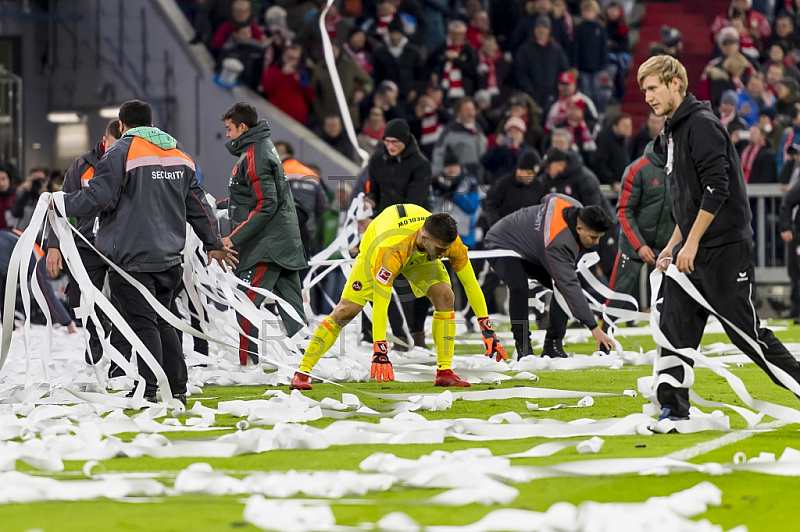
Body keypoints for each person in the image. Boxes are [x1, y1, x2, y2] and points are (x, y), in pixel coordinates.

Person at [638, 54, 800, 421]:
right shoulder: (673, 128)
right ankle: (673, 410)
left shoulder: (702, 124)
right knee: (673, 329)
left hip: (723, 249)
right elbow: (690, 199)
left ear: (675, 83)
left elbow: (716, 189)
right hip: (692, 250)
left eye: (653, 88)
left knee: (748, 337)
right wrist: (673, 243)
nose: (647, 96)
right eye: (643, 90)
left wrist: (691, 243)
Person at [56, 100, 233, 404]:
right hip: (169, 258)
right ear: (151, 125)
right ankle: (177, 386)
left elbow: (98, 196)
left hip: (130, 256)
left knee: (142, 323)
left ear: (122, 125)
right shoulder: (180, 156)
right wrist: (213, 243)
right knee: (163, 320)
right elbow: (199, 205)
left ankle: (151, 389)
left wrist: (61, 204)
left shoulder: (120, 153)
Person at [289, 207, 508, 390]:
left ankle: (444, 372)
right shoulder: (390, 250)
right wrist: (380, 349)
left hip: (419, 254)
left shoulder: (449, 244)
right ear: (425, 237)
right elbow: (381, 300)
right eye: (441, 250)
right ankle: (303, 372)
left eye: (446, 249)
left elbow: (470, 284)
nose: (444, 254)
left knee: (445, 295)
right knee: (346, 311)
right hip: (378, 249)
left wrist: (486, 328)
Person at [220, 102, 308, 365]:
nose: (227, 135)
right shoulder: (260, 148)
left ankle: (248, 365)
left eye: (229, 129)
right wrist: (219, 206)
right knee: (292, 309)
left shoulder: (255, 154)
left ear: (242, 127)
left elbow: (266, 205)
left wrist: (233, 238)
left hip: (266, 247)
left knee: (245, 305)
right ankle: (308, 362)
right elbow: (257, 198)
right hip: (282, 242)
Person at [45, 120, 132, 370]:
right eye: (116, 146)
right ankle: (96, 330)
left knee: (125, 300)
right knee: (78, 299)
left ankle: (119, 360)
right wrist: (54, 246)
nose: (119, 151)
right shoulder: (82, 165)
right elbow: (59, 207)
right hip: (86, 243)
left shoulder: (132, 163)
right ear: (105, 142)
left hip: (120, 244)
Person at [485, 195, 616, 360]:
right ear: (579, 228)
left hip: (532, 245)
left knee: (562, 289)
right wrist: (594, 329)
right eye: (593, 237)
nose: (596, 242)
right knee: (519, 288)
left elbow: (549, 197)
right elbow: (569, 286)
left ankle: (552, 345)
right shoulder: (560, 242)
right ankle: (523, 347)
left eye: (599, 237)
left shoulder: (574, 206)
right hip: (501, 242)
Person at [606, 139, 673, 322]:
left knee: (677, 300)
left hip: (668, 245)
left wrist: (674, 245)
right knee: (616, 297)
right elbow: (624, 210)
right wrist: (639, 245)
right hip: (633, 245)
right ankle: (603, 342)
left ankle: (675, 346)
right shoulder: (638, 168)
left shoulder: (682, 169)